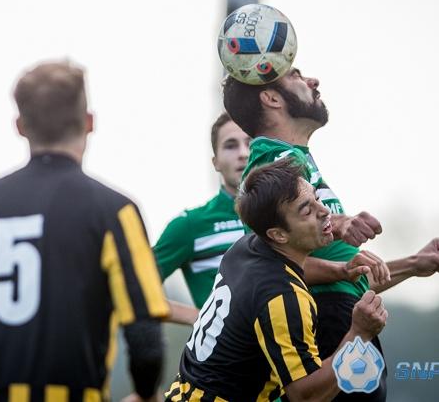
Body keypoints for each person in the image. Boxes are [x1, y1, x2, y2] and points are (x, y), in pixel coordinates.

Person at [0, 61, 170, 402]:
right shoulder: (114, 211)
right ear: (89, 122)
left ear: (20, 126)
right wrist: (146, 392)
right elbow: (145, 342)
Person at [223, 67, 439, 400]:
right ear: (271, 98)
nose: (312, 81)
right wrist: (342, 225)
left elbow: (344, 275)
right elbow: (277, 270)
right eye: (296, 76)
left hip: (343, 318)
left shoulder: (295, 160)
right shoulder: (274, 163)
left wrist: (414, 264)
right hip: (330, 326)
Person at [165, 160, 388, 401]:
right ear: (278, 234)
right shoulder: (284, 297)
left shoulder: (245, 248)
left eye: (316, 198)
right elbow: (304, 397)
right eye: (307, 211)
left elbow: (291, 266)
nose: (324, 211)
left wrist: (342, 269)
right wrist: (359, 333)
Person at [153, 113, 250, 312]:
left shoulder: (291, 214)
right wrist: (198, 318)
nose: (243, 153)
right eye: (231, 145)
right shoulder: (190, 224)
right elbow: (134, 285)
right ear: (216, 162)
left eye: (251, 143)